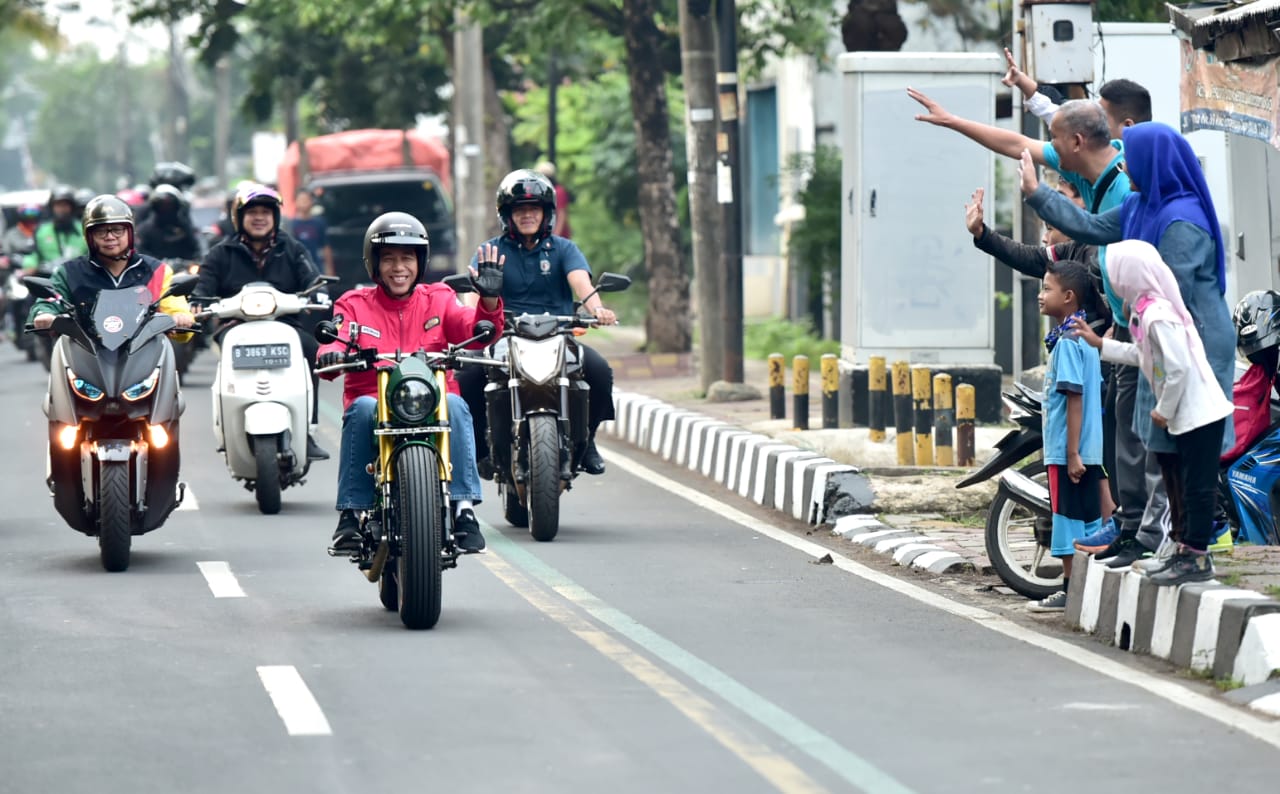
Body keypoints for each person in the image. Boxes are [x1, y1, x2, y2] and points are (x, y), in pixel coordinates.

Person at [911, 93, 1164, 568]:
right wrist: (953, 121)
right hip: (1116, 339)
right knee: (1120, 445)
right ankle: (1128, 529)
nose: (1049, 156)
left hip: (1136, 327)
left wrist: (1036, 194)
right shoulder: (1087, 183)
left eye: (1054, 145)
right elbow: (1016, 144)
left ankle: (1149, 531)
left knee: (1137, 441)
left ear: (1076, 142)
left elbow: (1085, 227)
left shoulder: (1125, 192)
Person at [1021, 122, 1236, 567]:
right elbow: (1089, 226)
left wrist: (1134, 323)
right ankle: (1148, 535)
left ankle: (1192, 543)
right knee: (1153, 440)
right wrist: (1038, 194)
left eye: (1131, 157)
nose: (1123, 165)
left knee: (1186, 447)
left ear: (1152, 162)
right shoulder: (1139, 205)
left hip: (1187, 338)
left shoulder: (1182, 220)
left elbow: (1175, 295)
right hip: (1150, 336)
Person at [316, 212, 505, 553]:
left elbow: (473, 332)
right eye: (388, 258)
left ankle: (463, 510)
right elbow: (338, 334)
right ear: (374, 263)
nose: (398, 267)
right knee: (361, 408)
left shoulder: (441, 297)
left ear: (420, 262)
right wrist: (331, 352)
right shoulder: (354, 304)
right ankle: (350, 513)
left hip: (433, 400)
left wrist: (488, 302)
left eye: (407, 258)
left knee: (458, 405)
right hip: (375, 401)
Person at [964, 183, 1118, 548]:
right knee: (1098, 480)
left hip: (1114, 371)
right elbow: (1032, 257)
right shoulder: (1074, 250)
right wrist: (983, 234)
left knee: (1105, 476)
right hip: (1099, 378)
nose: (1057, 209)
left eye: (1069, 195)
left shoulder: (1108, 249)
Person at [1069, 241, 1233, 585]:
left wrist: (1162, 410)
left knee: (1197, 489)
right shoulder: (1144, 311)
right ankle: (1181, 553)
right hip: (1186, 414)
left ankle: (1197, 559)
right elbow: (1142, 355)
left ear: (1131, 275)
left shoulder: (1157, 314)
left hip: (1199, 414)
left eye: (1113, 275)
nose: (1110, 283)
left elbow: (1177, 369)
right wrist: (1101, 345)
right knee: (1183, 486)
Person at [456, 168, 617, 476]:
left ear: (547, 213)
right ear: (507, 214)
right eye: (520, 209)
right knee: (468, 376)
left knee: (599, 371)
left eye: (535, 208)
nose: (528, 214)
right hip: (504, 339)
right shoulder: (490, 251)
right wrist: (474, 322)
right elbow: (474, 295)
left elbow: (581, 283)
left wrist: (597, 309)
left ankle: (589, 439)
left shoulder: (563, 249)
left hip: (558, 336)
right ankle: (479, 447)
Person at [194, 183, 330, 461]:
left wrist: (318, 292)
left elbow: (312, 280)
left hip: (286, 326)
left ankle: (309, 430)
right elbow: (204, 286)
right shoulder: (221, 252)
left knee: (312, 351)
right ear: (239, 217)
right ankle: (226, 429)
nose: (260, 217)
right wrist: (198, 300)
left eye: (266, 212)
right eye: (253, 212)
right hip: (234, 328)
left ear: (275, 217)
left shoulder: (292, 248)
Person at [1029, 259, 1106, 611]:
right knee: (1088, 518)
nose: (1041, 294)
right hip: (1086, 449)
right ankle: (1084, 588)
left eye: (1047, 288)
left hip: (1067, 450)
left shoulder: (1069, 342)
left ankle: (1070, 589)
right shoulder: (1084, 337)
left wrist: (1071, 452)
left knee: (1068, 519)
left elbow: (1074, 396)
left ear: (1069, 296)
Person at [28, 194, 194, 334]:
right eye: (101, 231)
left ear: (130, 232)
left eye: (117, 229)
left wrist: (180, 316)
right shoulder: (69, 272)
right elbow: (51, 299)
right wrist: (44, 314)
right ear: (88, 236)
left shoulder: (157, 270)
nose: (110, 237)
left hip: (145, 356)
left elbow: (173, 304)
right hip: (85, 357)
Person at [24, 185, 88, 272]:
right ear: (51, 207)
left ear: (72, 207)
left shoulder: (84, 230)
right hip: (47, 279)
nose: (61, 209)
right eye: (58, 205)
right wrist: (29, 267)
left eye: (65, 205)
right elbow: (32, 255)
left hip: (80, 278)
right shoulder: (41, 231)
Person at [136, 184, 204, 263]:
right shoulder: (145, 230)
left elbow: (196, 249)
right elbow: (141, 252)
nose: (165, 208)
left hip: (184, 271)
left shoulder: (185, 227)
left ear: (176, 206)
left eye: (169, 205)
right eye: (161, 205)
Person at [288, 188, 334, 277]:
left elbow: (325, 246)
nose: (304, 203)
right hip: (297, 268)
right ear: (296, 202)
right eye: (301, 200)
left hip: (316, 267)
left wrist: (329, 268)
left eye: (306, 200)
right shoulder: (290, 224)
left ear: (312, 201)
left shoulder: (319, 223)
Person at [534, 161, 572, 239]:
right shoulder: (542, 192)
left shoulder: (558, 192)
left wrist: (555, 236)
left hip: (558, 237)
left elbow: (561, 215)